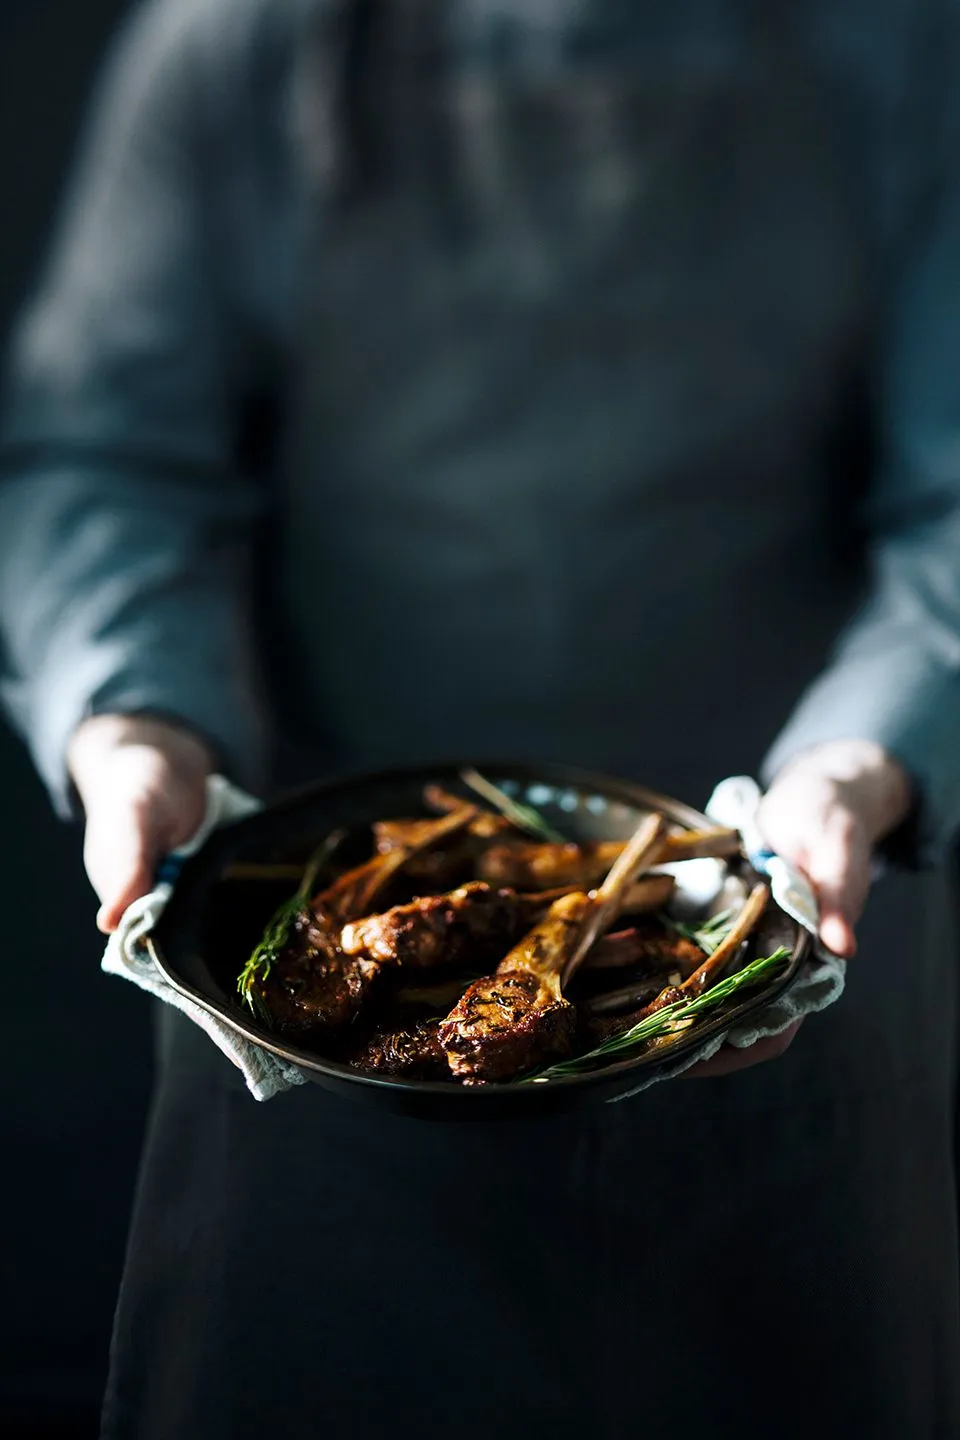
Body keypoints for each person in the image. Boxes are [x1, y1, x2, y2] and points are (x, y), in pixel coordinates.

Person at [1, 0, 958, 1435]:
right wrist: (135, 721)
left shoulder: (903, 45)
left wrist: (864, 759)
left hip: (767, 915)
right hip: (304, 965)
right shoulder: (233, 45)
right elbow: (104, 453)